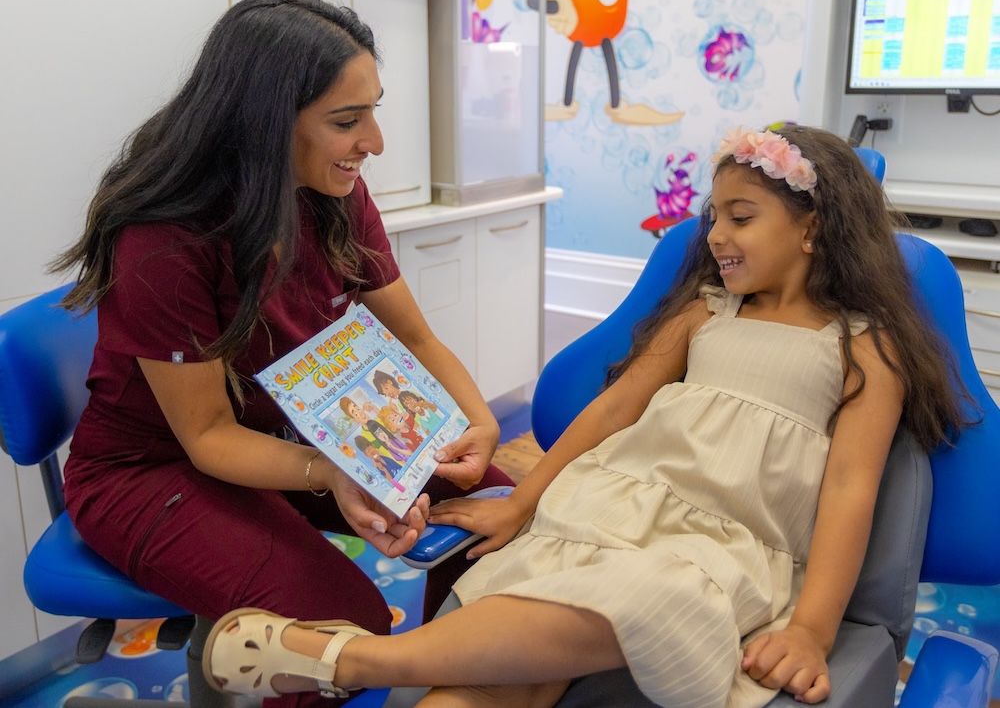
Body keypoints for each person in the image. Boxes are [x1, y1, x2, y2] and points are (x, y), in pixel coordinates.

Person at [201, 125, 965, 707]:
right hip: (612, 505)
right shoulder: (705, 313)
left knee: (656, 600)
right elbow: (612, 413)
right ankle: (354, 660)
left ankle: (356, 661)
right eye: (713, 216)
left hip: (722, 546)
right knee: (511, 670)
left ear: (811, 227)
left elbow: (850, 489)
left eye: (741, 216)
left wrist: (812, 629)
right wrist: (524, 503)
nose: (716, 236)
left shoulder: (865, 348)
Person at [49, 0, 512, 708]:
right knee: (341, 630)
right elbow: (205, 436)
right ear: (265, 122)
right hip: (150, 471)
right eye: (346, 121)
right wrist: (332, 473)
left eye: (373, 112)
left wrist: (477, 424)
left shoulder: (331, 194)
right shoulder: (166, 236)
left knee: (494, 509)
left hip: (291, 437)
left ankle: (450, 683)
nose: (374, 144)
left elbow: (414, 337)